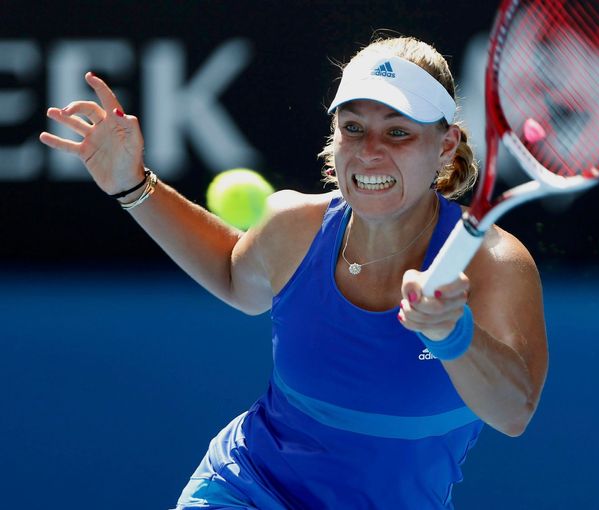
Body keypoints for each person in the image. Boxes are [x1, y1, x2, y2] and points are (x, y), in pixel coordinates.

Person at [40, 36, 548, 510]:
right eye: (353, 127)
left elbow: (514, 413)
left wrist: (452, 332)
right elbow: (233, 274)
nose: (370, 150)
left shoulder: (495, 265)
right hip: (249, 488)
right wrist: (133, 185)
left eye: (398, 131)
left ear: (445, 146)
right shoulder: (295, 226)